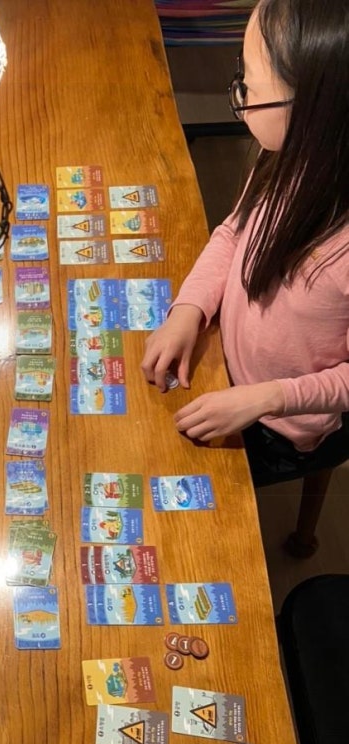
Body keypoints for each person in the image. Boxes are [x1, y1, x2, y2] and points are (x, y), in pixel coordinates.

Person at [141, 0, 349, 485]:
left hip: (283, 425)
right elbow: (234, 233)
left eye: (249, 85)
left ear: (311, 107)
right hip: (226, 364)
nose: (240, 93)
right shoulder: (287, 155)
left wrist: (267, 398)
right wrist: (188, 309)